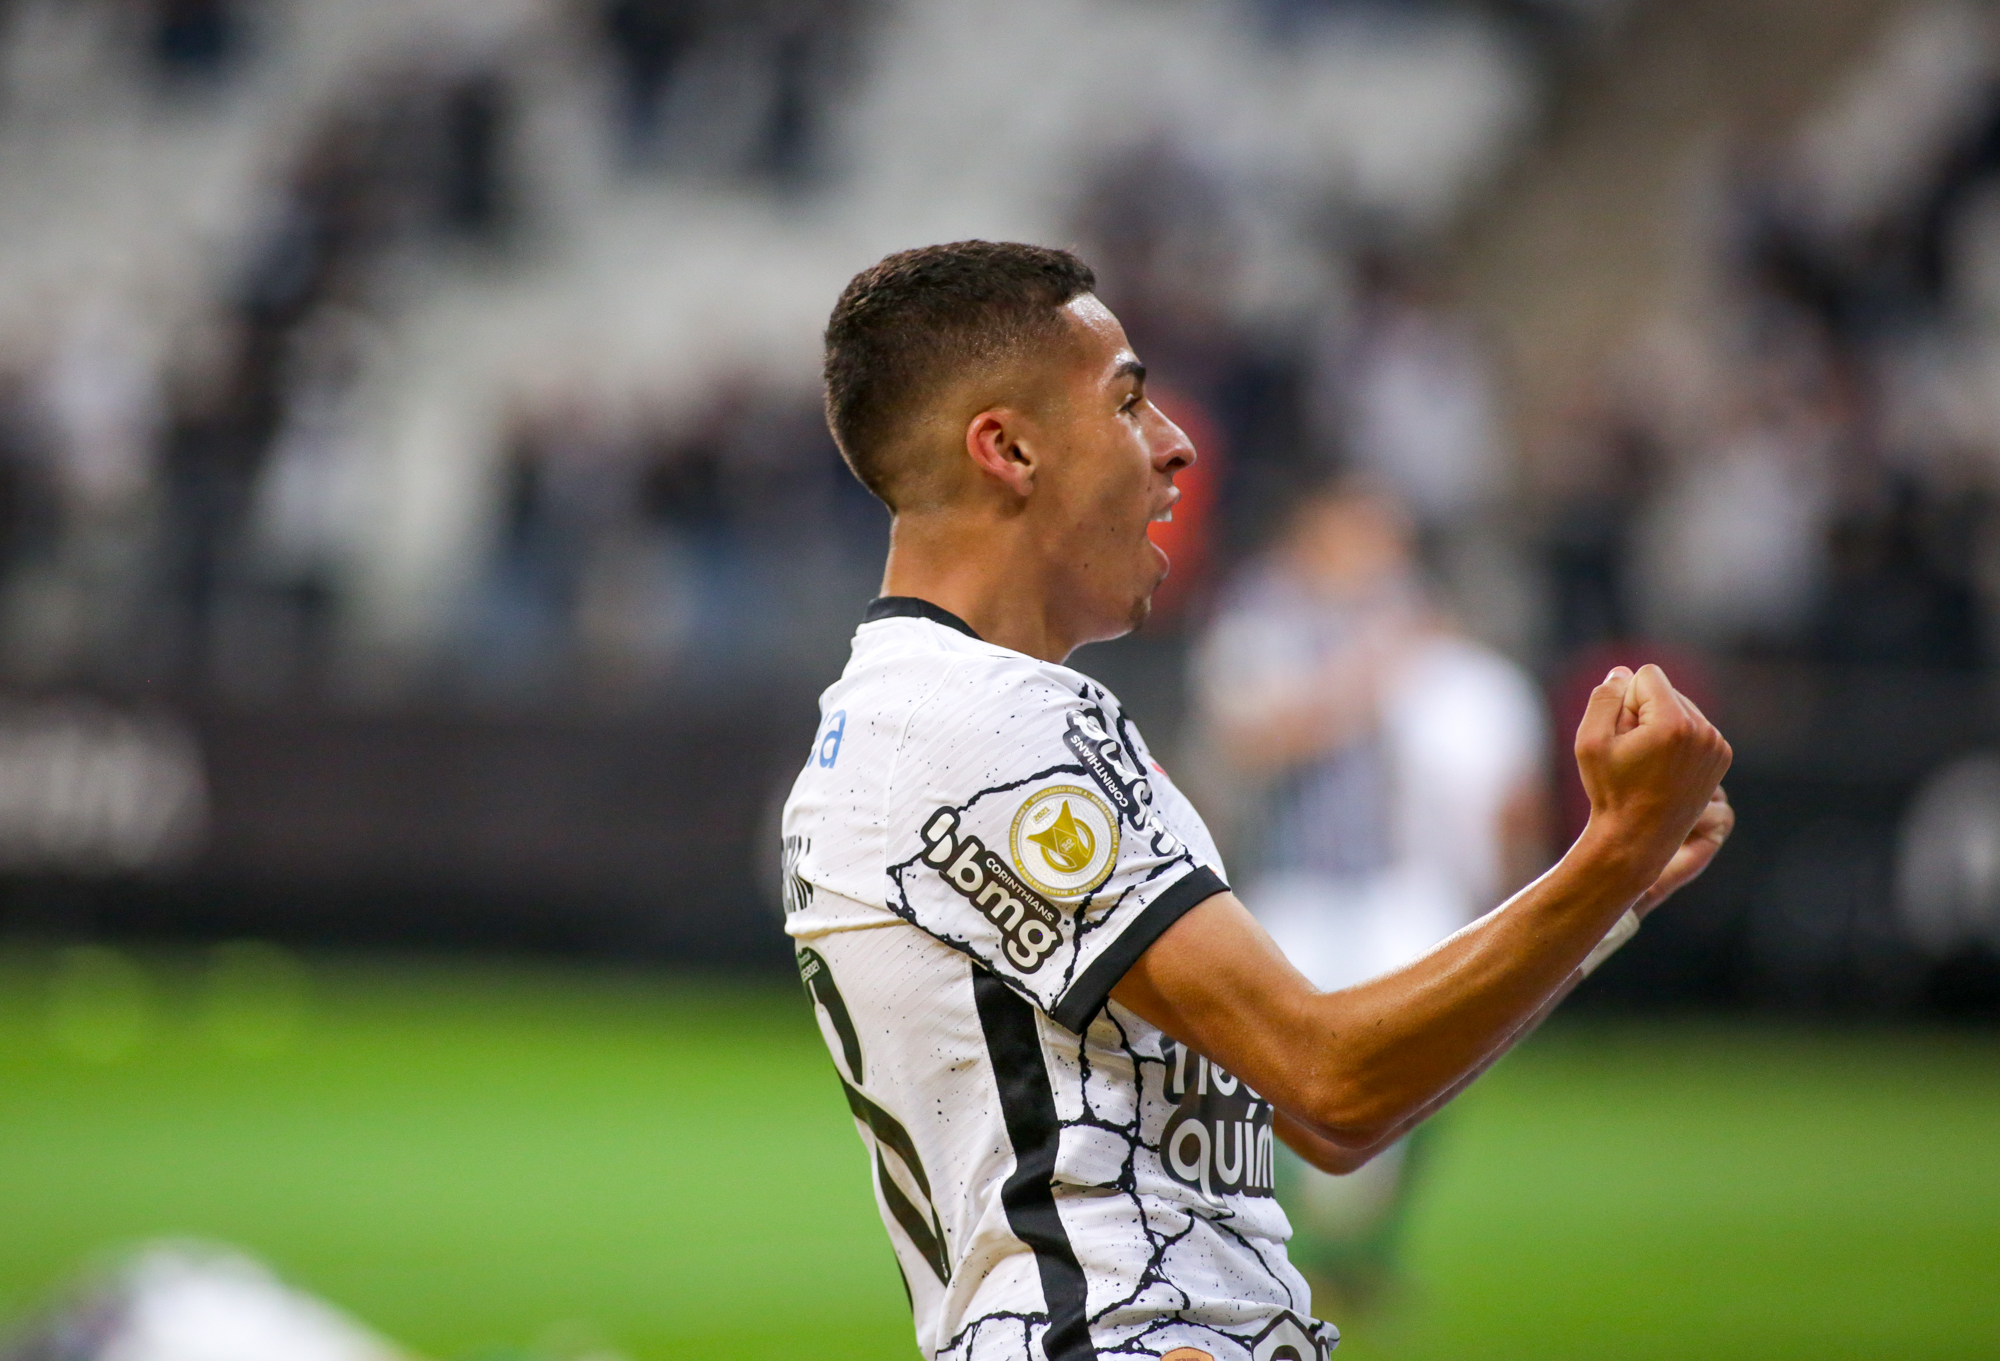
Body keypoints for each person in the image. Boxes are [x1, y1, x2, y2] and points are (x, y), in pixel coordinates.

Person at [781, 241, 1734, 1361]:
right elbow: (1331, 1078)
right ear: (1007, 445)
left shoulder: (912, 713)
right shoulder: (989, 726)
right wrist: (1607, 855)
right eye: (1128, 401)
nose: (1175, 443)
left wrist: (1611, 886)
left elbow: (1329, 1121)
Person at [1193, 481, 1550, 1304]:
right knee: (1264, 1073)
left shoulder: (1405, 618)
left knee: (1436, 1052)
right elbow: (1254, 739)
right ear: (1316, 531)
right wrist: (1361, 678)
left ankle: (1374, 1249)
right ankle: (1285, 1246)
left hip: (1394, 876)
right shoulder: (1264, 614)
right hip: (1293, 874)